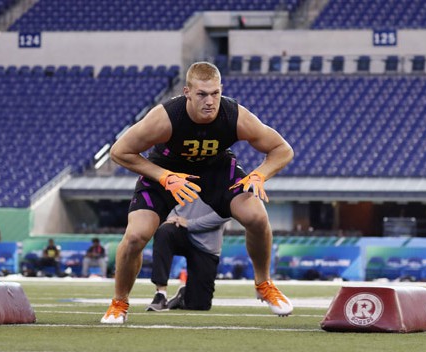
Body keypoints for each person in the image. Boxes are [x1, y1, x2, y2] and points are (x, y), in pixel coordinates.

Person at [101, 61, 295, 324]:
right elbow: (119, 152)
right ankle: (119, 302)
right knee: (136, 236)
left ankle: (263, 284)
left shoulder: (234, 115)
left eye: (215, 93)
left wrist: (260, 174)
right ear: (187, 92)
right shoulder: (165, 117)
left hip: (216, 170)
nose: (209, 101)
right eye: (202, 94)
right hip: (166, 171)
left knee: (257, 217)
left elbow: (282, 149)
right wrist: (164, 177)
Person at [146, 199, 229, 312]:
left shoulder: (225, 183)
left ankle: (183, 296)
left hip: (206, 243)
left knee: (199, 305)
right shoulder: (181, 180)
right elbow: (168, 199)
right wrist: (172, 217)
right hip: (179, 228)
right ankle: (161, 295)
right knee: (164, 232)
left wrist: (190, 224)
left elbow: (226, 214)